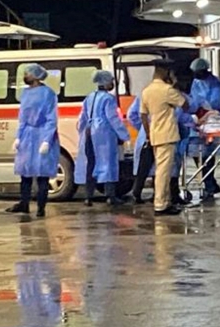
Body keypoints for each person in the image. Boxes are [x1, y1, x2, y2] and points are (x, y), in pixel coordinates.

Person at [7, 64, 59, 218]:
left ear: (36, 76)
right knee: (25, 173)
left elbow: (51, 118)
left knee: (42, 174)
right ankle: (24, 204)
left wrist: (47, 140)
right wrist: (18, 136)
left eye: (27, 73)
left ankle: (41, 208)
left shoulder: (48, 93)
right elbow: (22, 118)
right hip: (28, 136)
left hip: (42, 133)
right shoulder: (25, 93)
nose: (25, 76)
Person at [140, 60, 189, 216]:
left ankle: (165, 201)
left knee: (162, 169)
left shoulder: (146, 91)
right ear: (165, 73)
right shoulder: (167, 90)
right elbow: (185, 104)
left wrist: (148, 133)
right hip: (167, 134)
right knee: (163, 171)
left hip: (155, 134)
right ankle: (160, 204)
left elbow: (142, 114)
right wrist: (175, 85)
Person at [75, 70, 131, 206]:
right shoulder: (108, 99)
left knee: (91, 163)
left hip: (89, 132)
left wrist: (82, 130)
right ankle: (110, 196)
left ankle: (88, 196)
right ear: (105, 83)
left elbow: (82, 117)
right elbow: (113, 119)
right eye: (111, 81)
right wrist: (124, 135)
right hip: (103, 133)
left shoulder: (90, 97)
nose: (112, 84)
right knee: (108, 162)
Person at [189, 58, 220, 199]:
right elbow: (193, 100)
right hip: (198, 119)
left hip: (212, 120)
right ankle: (210, 182)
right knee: (195, 152)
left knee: (208, 154)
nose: (196, 75)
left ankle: (209, 183)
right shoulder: (196, 83)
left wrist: (206, 110)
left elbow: (216, 103)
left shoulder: (217, 85)